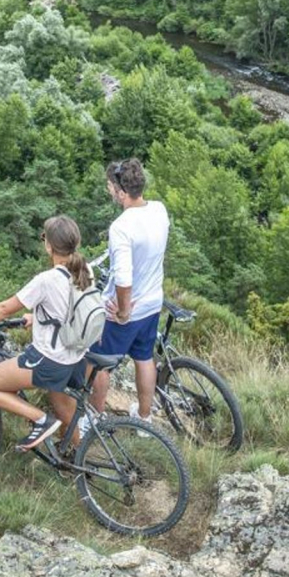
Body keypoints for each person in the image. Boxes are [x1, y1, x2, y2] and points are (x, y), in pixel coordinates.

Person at [0, 215, 92, 451]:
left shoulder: (45, 280)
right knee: (66, 413)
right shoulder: (85, 270)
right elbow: (68, 310)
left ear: (48, 245)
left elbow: (4, 309)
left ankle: (40, 420)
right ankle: (77, 462)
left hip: (50, 361)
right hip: (77, 357)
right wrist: (38, 317)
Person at [90, 158, 170, 421]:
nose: (108, 190)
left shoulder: (121, 227)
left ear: (122, 192)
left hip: (125, 310)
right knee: (144, 358)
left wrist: (123, 312)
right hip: (152, 302)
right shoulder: (159, 210)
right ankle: (143, 418)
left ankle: (94, 419)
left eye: (111, 187)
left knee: (98, 364)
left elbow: (124, 278)